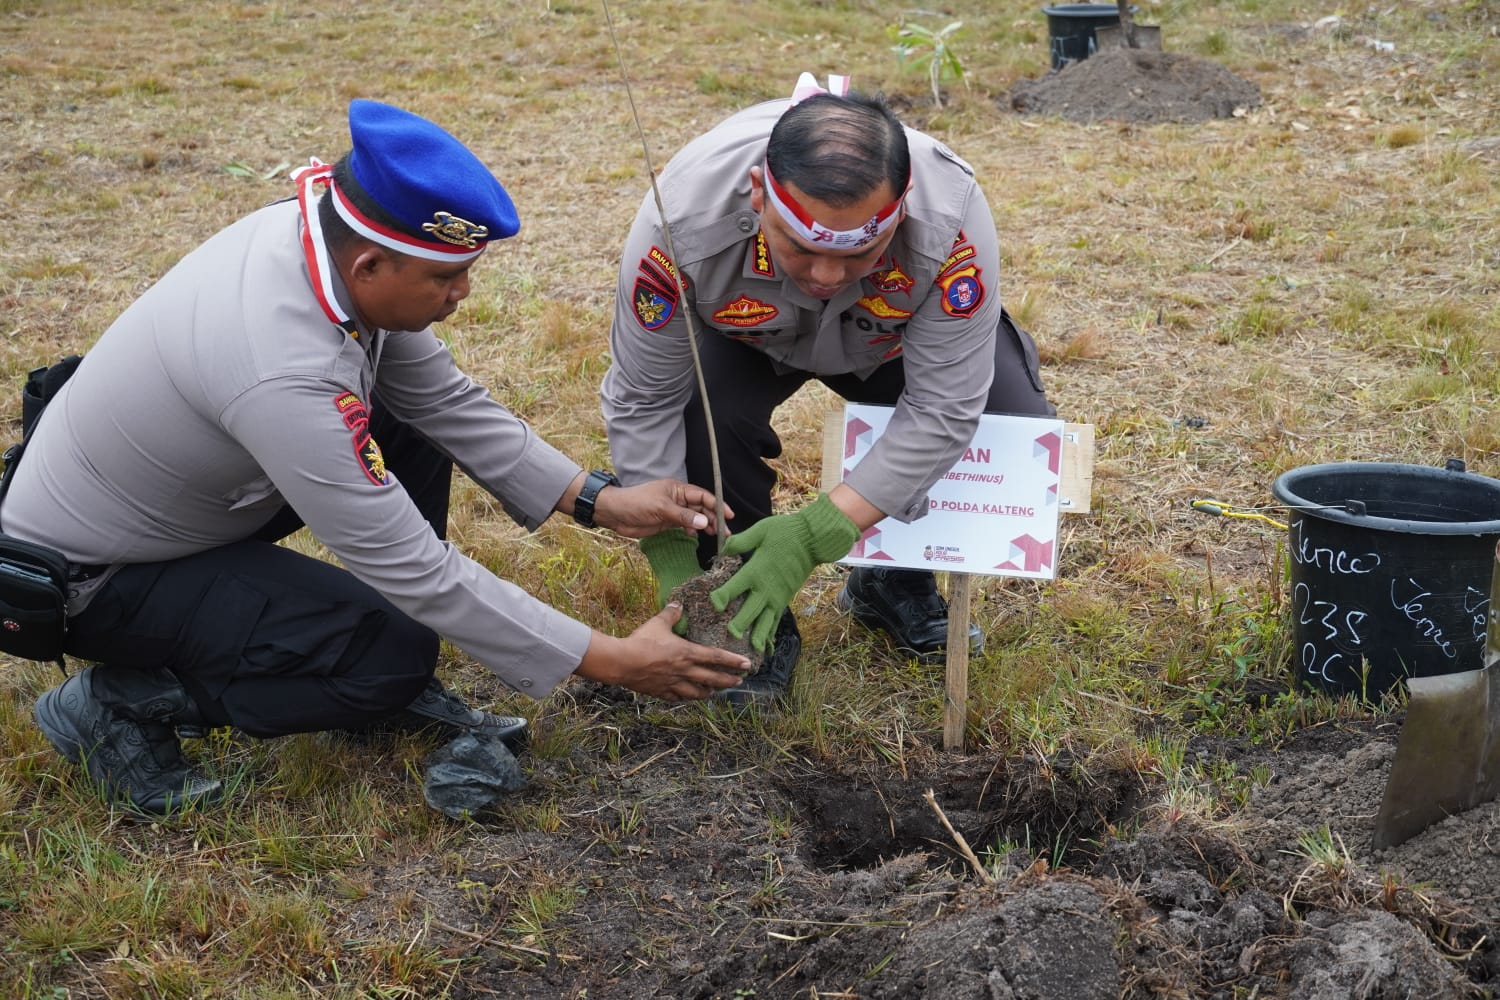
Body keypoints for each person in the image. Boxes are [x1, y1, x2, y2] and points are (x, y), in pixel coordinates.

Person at [2, 99, 752, 815]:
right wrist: (614, 660)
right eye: (445, 277)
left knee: (409, 434)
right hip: (99, 578)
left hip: (190, 505)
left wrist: (598, 498)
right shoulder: (283, 368)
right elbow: (415, 568)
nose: (462, 293)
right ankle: (114, 706)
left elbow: (442, 401)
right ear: (369, 266)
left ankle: (352, 660)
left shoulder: (324, 248)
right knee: (392, 654)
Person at [601, 73, 1054, 706]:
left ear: (902, 206)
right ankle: (736, 597)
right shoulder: (680, 221)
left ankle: (892, 579)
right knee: (700, 416)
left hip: (891, 341)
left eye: (859, 253)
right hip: (748, 337)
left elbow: (944, 406)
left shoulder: (950, 218)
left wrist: (816, 533)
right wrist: (670, 546)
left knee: (1007, 420)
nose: (825, 275)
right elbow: (645, 397)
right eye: (800, 246)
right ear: (758, 193)